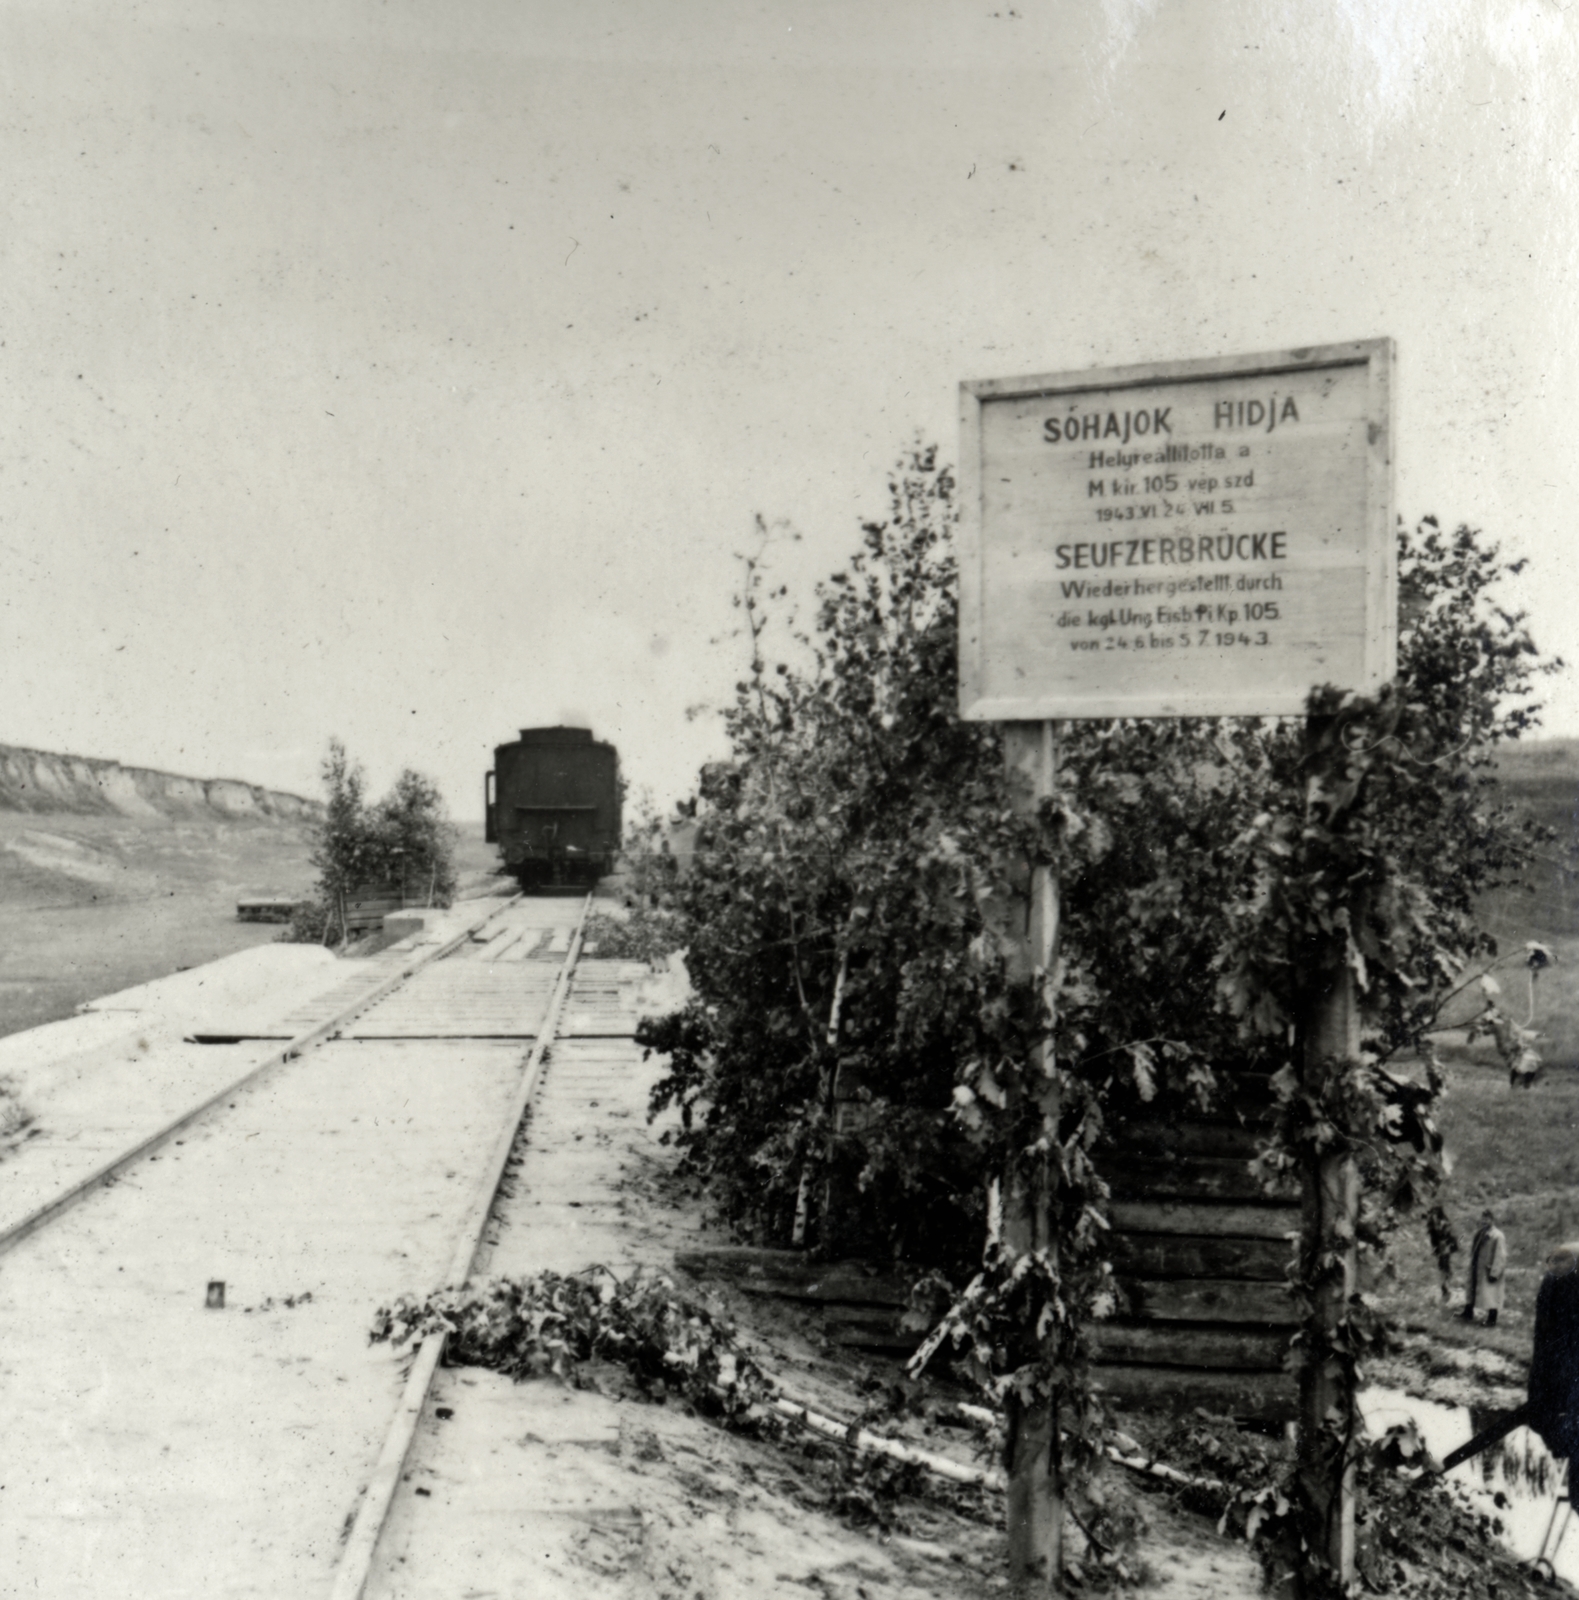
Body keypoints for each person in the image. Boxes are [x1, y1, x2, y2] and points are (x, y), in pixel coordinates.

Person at [1463, 1208, 1508, 1327]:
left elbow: (1500, 1256)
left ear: (1492, 1220)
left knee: (1492, 1294)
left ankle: (1491, 1319)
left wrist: (1495, 1272)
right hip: (1477, 1266)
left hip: (1489, 1269)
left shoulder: (1497, 1236)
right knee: (1471, 1289)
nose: (1484, 1221)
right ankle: (1468, 1312)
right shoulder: (1480, 1233)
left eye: (1487, 1219)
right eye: (1483, 1218)